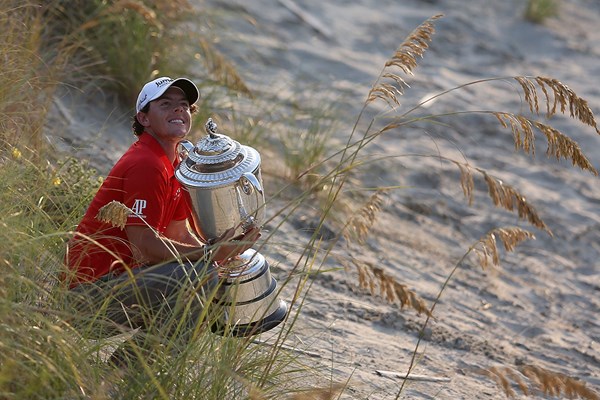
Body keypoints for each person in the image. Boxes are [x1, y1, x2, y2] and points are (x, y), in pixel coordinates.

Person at [65, 76, 259, 365]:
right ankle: (131, 375)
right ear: (143, 118)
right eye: (165, 104)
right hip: (83, 301)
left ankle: (123, 373)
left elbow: (179, 234)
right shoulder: (147, 163)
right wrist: (209, 255)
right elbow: (145, 247)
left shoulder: (176, 164)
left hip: (116, 288)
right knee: (198, 275)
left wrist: (221, 259)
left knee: (211, 274)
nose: (178, 110)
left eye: (184, 106)